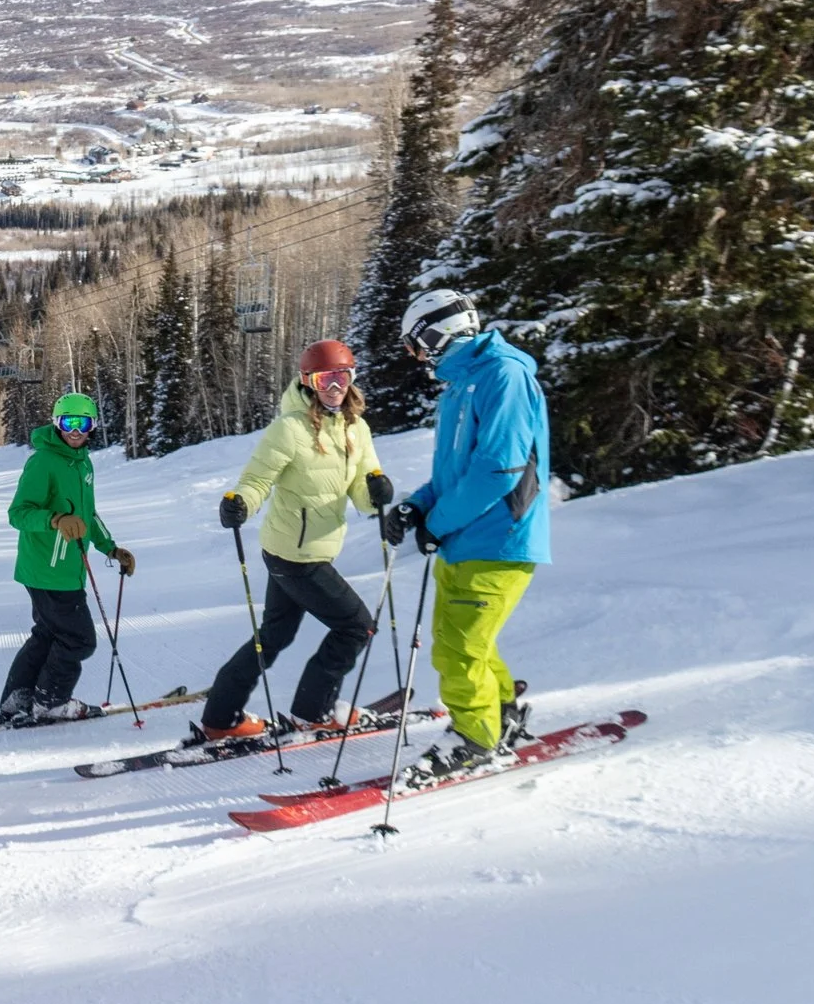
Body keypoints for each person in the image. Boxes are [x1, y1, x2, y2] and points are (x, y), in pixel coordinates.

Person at [381, 289, 549, 774]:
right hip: (466, 540)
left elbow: (500, 468)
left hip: (499, 537)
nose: (414, 356)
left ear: (435, 335)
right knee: (462, 640)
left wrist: (438, 521)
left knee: (459, 646)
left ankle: (474, 739)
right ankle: (500, 717)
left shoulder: (503, 375)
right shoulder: (462, 386)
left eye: (414, 344)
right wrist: (417, 508)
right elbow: (455, 472)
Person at [196, 338, 397, 741]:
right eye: (325, 378)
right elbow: (257, 480)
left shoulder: (356, 427)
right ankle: (314, 710)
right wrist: (240, 503)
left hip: (305, 551)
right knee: (356, 626)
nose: (334, 387)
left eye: (341, 377)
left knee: (274, 635)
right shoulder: (290, 428)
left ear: (351, 378)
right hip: (296, 555)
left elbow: (361, 485)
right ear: (308, 381)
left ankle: (221, 717)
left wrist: (377, 493)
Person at [0, 391, 136, 726]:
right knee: (79, 639)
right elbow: (18, 514)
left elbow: (87, 514)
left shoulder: (82, 462)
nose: (76, 430)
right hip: (48, 570)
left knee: (48, 634)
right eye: (69, 422)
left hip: (64, 569)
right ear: (57, 423)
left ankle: (18, 700)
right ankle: (51, 702)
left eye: (83, 422)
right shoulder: (44, 461)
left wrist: (110, 548)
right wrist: (54, 520)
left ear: (92, 425)